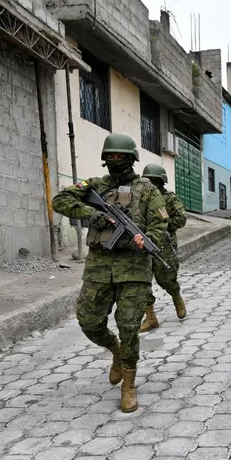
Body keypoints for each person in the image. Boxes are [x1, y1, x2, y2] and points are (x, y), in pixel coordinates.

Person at [52, 134, 168, 413]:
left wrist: (146, 239)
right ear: (105, 159)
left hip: (135, 270)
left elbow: (159, 226)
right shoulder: (94, 186)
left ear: (132, 159)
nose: (116, 161)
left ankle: (129, 384)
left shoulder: (147, 190)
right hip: (99, 268)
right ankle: (114, 350)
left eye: (122, 156)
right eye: (111, 156)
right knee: (88, 321)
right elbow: (60, 200)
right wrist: (89, 213)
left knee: (129, 327)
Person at [139, 163, 187, 333]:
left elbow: (181, 218)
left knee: (167, 278)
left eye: (154, 181)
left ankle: (176, 297)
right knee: (141, 281)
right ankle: (150, 317)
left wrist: (163, 226)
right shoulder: (139, 198)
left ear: (161, 182)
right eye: (148, 180)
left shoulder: (169, 199)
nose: (151, 184)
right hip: (141, 244)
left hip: (164, 246)